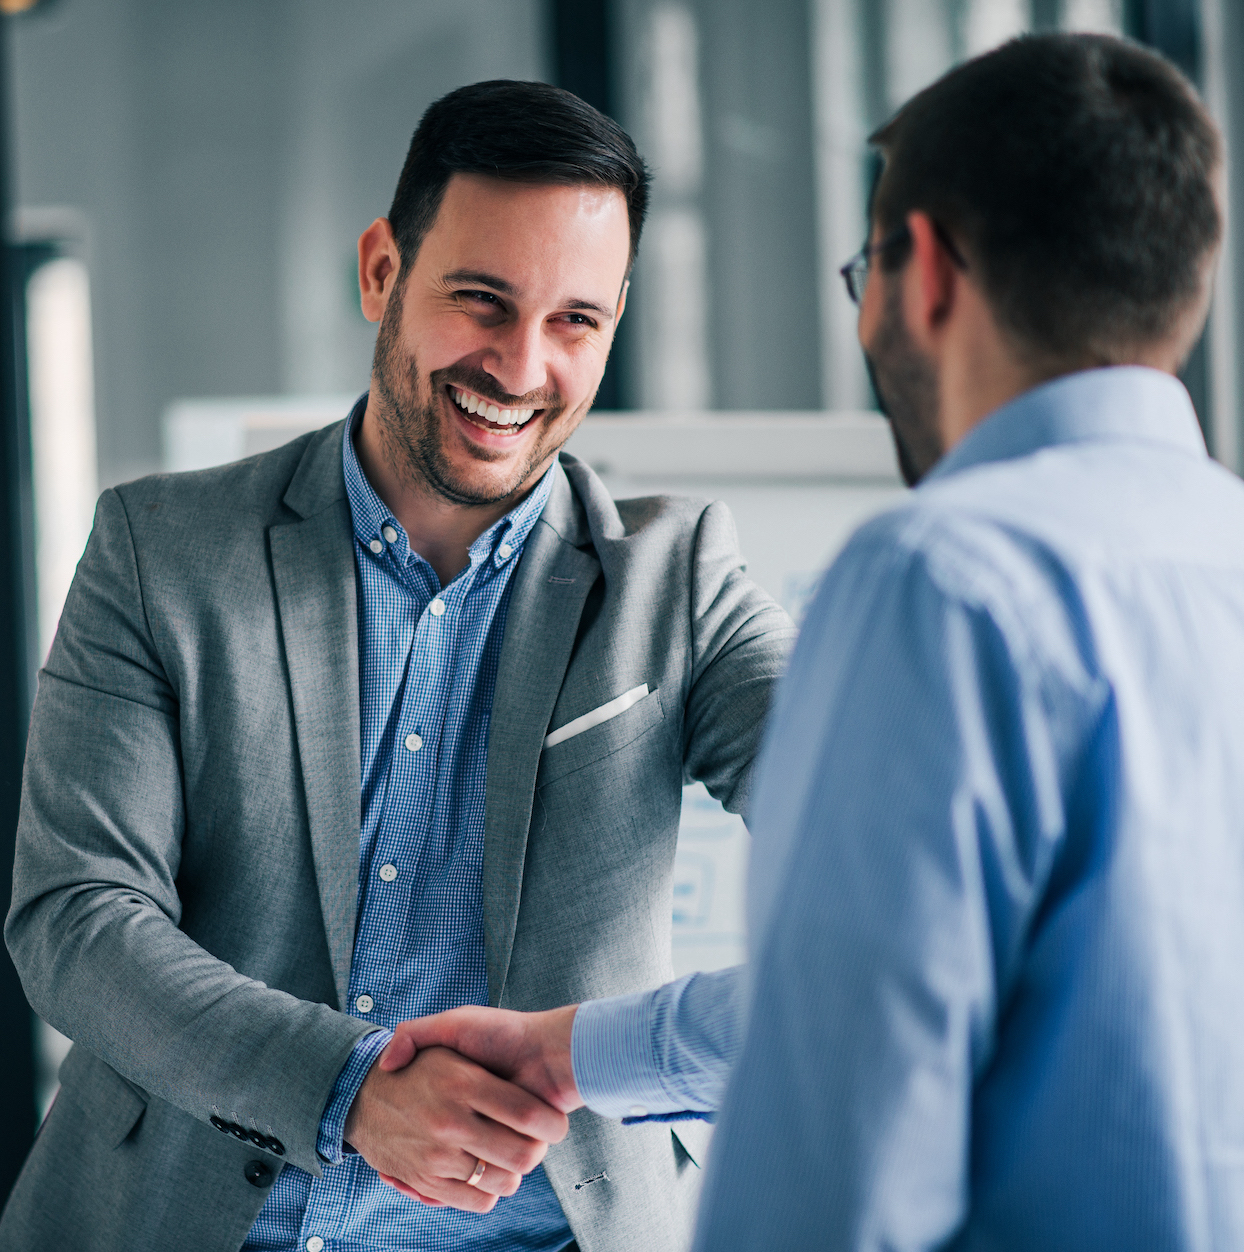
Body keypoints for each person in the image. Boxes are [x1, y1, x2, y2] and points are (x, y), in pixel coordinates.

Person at [384, 33, 1244, 1251]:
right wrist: (571, 1050)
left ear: (926, 273)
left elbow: (836, 1110)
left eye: (863, 272)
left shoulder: (941, 580)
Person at [1, 80, 793, 1252]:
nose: (521, 368)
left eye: (576, 321)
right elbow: (76, 917)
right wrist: (350, 1089)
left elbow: (869, 833)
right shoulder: (159, 551)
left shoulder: (676, 582)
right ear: (382, 271)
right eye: (481, 300)